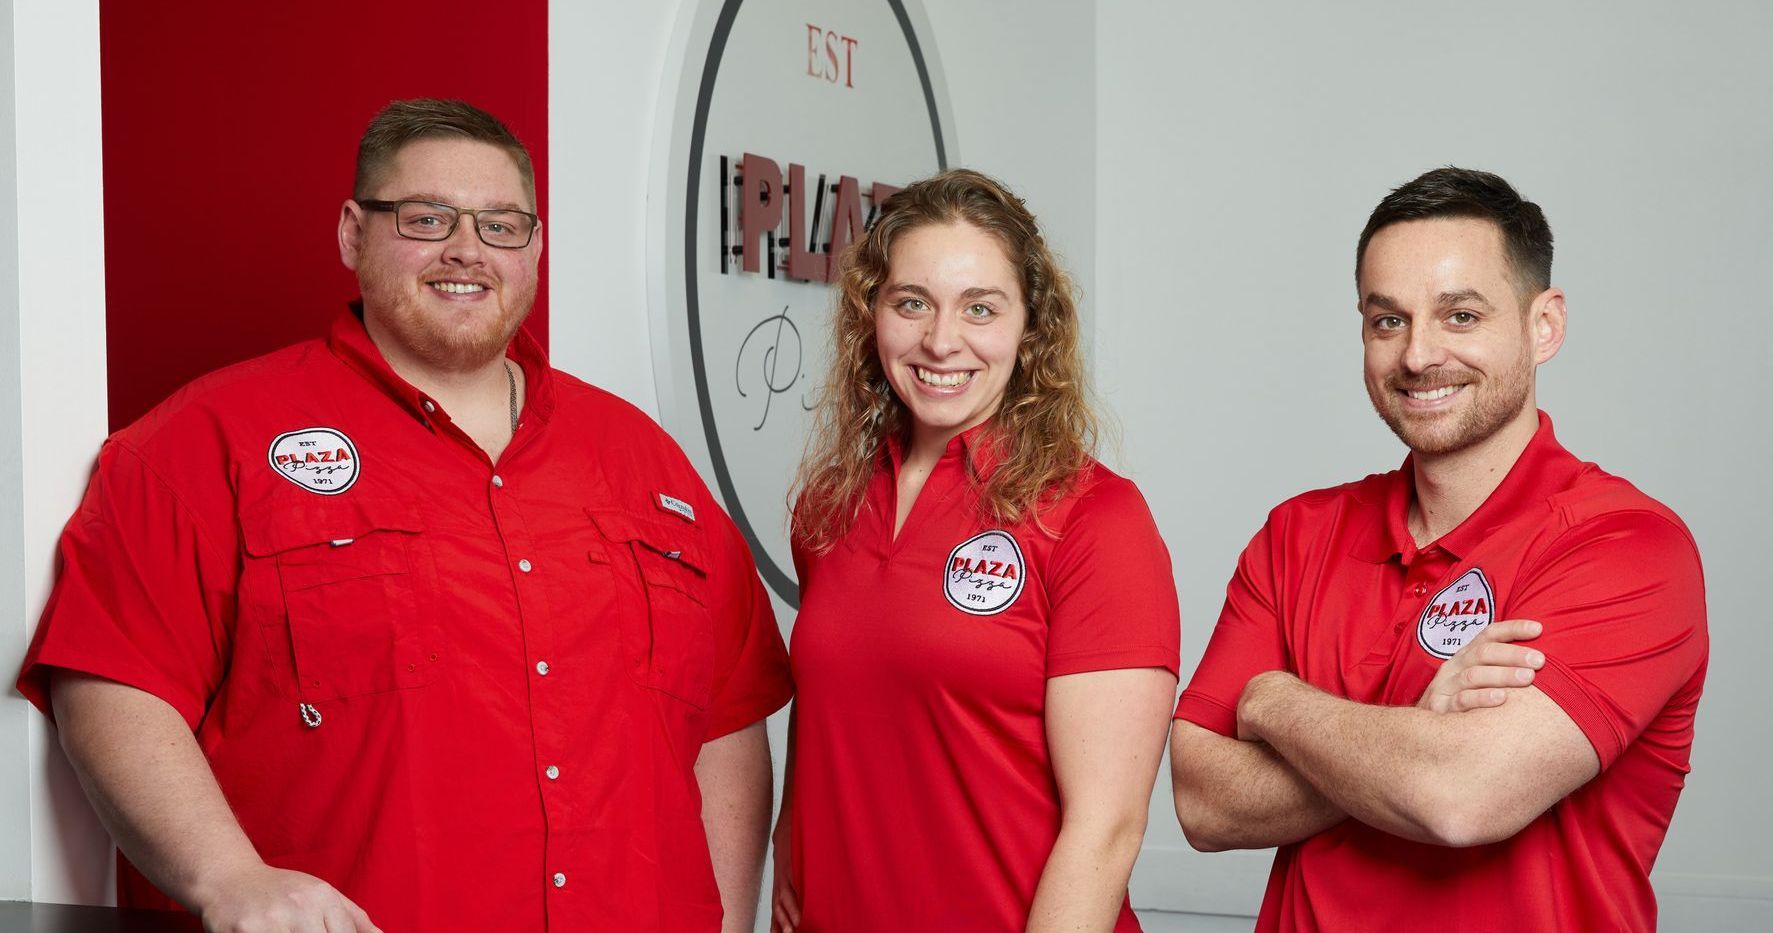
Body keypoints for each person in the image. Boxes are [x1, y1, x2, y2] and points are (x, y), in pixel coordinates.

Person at [14, 98, 792, 933]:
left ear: (534, 247)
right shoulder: (205, 444)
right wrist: (227, 876)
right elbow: (110, 681)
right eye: (426, 218)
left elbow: (727, 721)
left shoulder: (646, 462)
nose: (467, 250)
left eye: (501, 224)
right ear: (353, 233)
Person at [1170, 167, 1709, 931]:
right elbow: (1202, 801)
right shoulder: (1298, 534)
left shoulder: (1626, 546)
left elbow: (1462, 796)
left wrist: (1274, 699)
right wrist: (1416, 725)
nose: (1419, 355)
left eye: (1460, 315)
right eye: (1387, 320)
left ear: (1543, 324)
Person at [770, 169, 1179, 932]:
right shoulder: (831, 506)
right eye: (911, 302)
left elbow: (1108, 827)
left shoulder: (1094, 517)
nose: (940, 340)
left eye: (979, 308)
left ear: (1031, 326)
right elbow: (833, 703)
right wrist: (790, 845)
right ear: (872, 315)